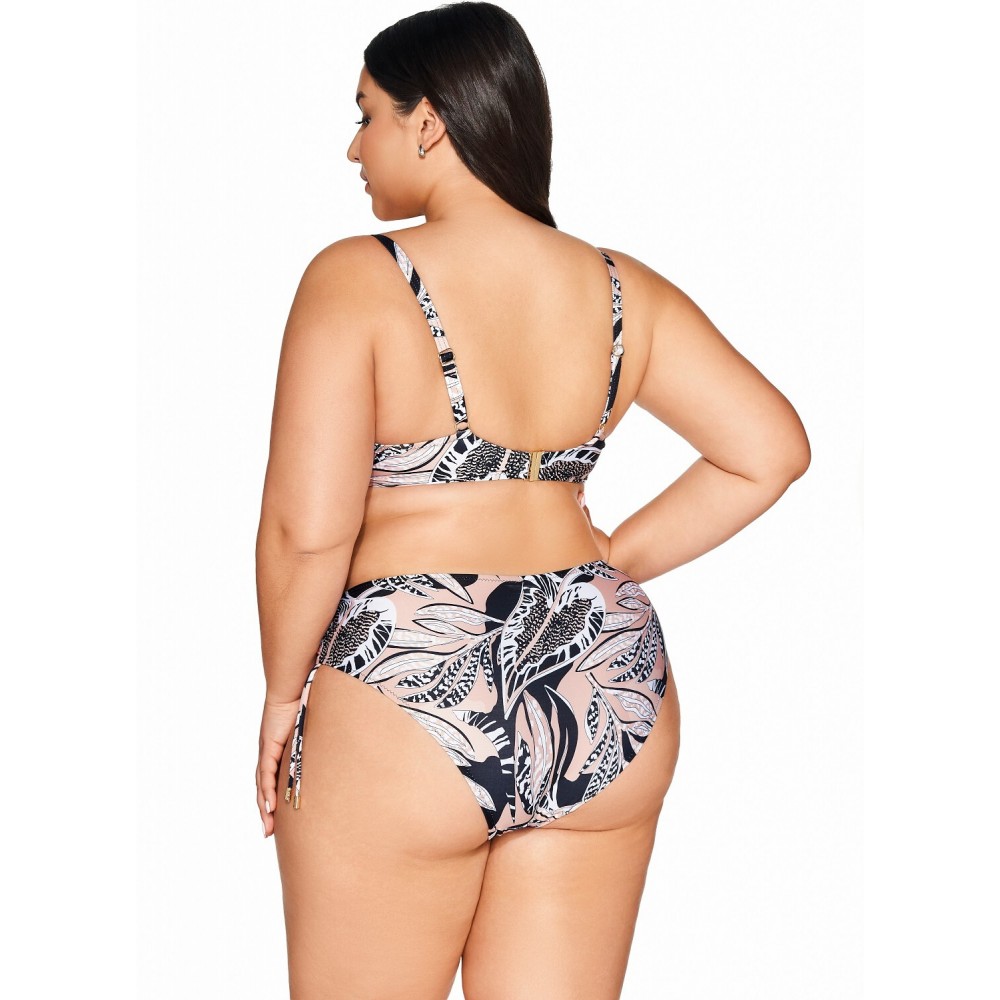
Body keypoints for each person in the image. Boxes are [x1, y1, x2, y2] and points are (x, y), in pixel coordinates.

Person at [254, 2, 810, 996]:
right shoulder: (620, 289)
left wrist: (283, 695)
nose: (354, 146)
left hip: (405, 674)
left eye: (368, 115)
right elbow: (768, 451)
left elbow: (307, 531)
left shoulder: (358, 278)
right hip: (600, 669)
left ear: (429, 123)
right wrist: (612, 561)